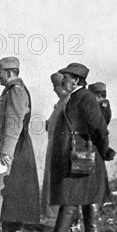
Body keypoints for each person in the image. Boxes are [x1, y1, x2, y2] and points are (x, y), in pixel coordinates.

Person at [43, 63, 116, 232]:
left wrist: (105, 150)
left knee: (70, 196)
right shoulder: (75, 97)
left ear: (75, 80)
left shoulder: (85, 97)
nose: (63, 81)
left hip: (83, 156)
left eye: (66, 77)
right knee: (86, 195)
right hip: (79, 156)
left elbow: (99, 127)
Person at [0, 57, 40, 232]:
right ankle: (5, 230)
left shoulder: (16, 92)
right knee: (1, 186)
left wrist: (6, 152)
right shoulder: (9, 91)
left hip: (14, 149)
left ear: (9, 72)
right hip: (5, 147)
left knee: (11, 188)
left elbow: (14, 123)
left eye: (0, 72)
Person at [41, 72, 71, 218]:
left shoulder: (68, 102)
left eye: (55, 86)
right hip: (54, 147)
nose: (54, 89)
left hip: (61, 150)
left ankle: (61, 219)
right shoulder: (61, 102)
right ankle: (53, 217)